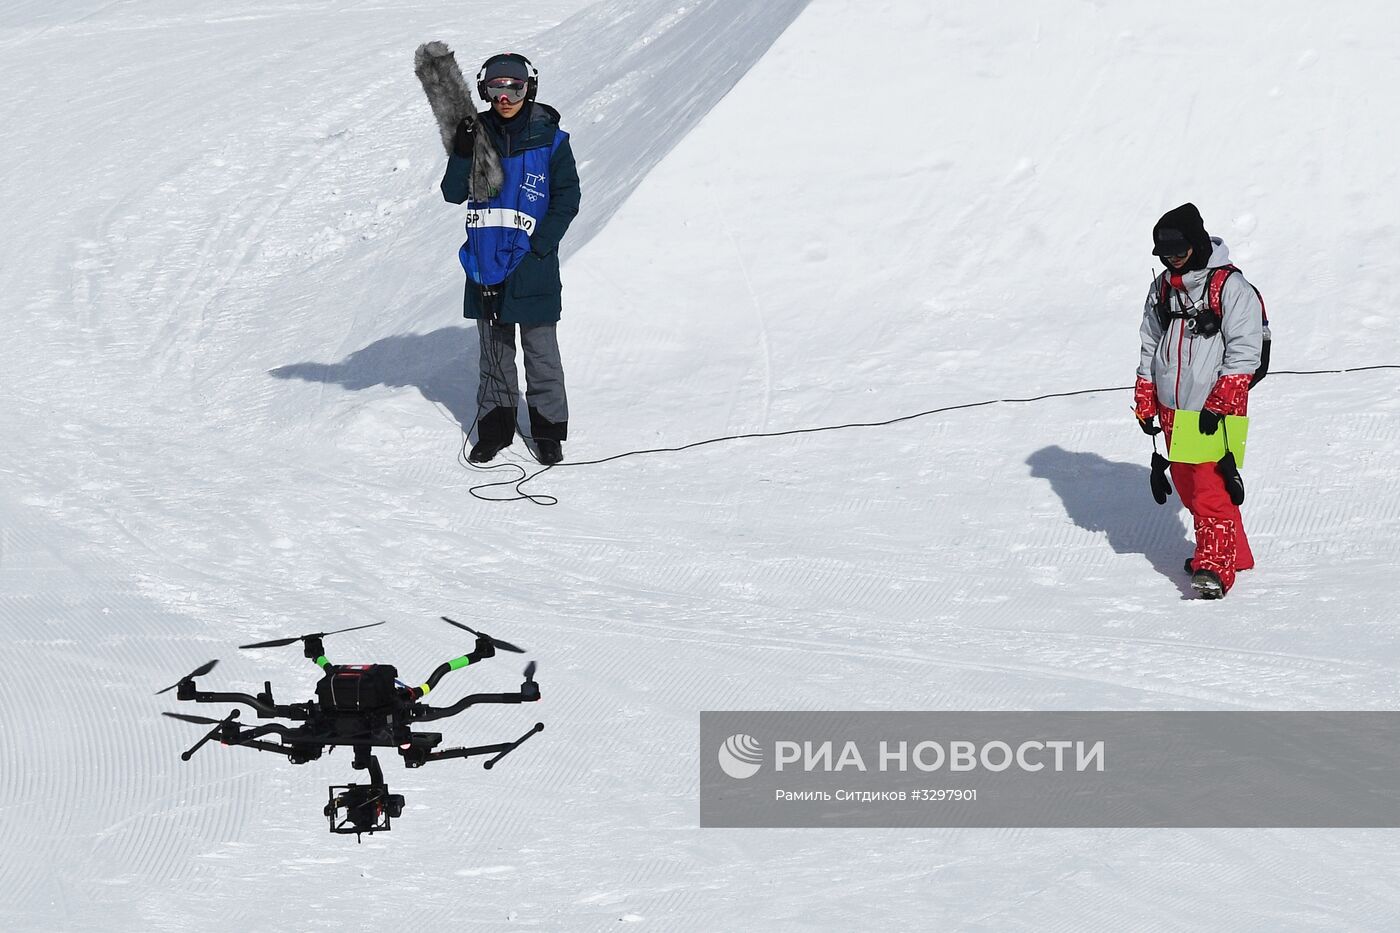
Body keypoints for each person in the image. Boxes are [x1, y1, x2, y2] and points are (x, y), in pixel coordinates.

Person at [440, 52, 581, 465]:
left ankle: (548, 432)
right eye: (496, 88)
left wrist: (541, 247)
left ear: (529, 88)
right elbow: (452, 192)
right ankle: (496, 431)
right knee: (495, 353)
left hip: (532, 263)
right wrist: (463, 151)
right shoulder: (474, 134)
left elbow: (566, 199)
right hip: (484, 259)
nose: (505, 97)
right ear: (485, 90)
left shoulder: (552, 139)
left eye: (514, 87)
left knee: (541, 353)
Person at [1133, 203, 1266, 599]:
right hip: (1175, 406)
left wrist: (1222, 400)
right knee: (1189, 487)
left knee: (1210, 485)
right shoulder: (1162, 290)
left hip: (1214, 406)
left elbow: (1246, 350)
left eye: (1179, 251)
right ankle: (1233, 552)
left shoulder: (1230, 289)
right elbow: (1149, 342)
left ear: (1195, 243)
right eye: (1165, 255)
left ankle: (1215, 566)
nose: (1173, 260)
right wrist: (1145, 392)